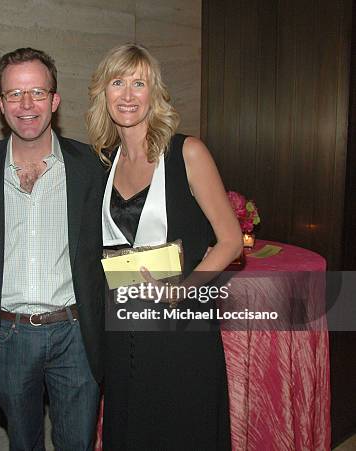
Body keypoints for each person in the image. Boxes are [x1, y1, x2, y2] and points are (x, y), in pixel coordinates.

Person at [86, 43, 242, 450]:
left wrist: (185, 289)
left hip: (181, 332)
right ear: (103, 93)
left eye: (139, 83)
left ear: (154, 93)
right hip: (123, 337)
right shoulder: (103, 163)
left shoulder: (188, 152)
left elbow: (230, 241)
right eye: (117, 82)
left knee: (181, 430)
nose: (128, 94)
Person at [0, 48, 105, 451]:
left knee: (77, 444)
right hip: (8, 336)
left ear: (55, 101)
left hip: (76, 333)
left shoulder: (92, 167)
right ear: (0, 104)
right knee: (23, 444)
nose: (27, 105)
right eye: (15, 94)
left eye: (37, 93)